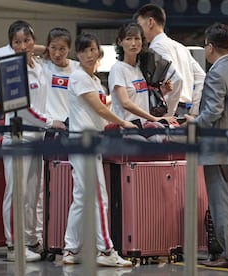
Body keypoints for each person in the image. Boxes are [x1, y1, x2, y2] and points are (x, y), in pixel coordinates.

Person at [62, 32, 136, 267]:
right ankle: (105, 251)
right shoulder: (79, 77)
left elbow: (100, 116)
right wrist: (123, 122)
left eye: (92, 49)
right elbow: (100, 109)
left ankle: (71, 249)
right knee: (98, 198)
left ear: (99, 53)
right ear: (78, 54)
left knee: (82, 198)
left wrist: (114, 124)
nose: (89, 54)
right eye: (83, 50)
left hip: (89, 142)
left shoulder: (94, 81)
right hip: (83, 143)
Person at [187, 23, 228, 268]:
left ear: (210, 46)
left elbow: (213, 111)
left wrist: (194, 124)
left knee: (222, 203)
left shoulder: (216, 72)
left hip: (220, 149)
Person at [0, 20, 66, 262]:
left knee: (32, 194)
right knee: (16, 193)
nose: (23, 45)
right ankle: (13, 245)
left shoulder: (39, 66)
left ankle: (29, 239)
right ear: (11, 45)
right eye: (17, 42)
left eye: (27, 40)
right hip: (18, 138)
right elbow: (23, 110)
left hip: (37, 139)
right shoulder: (9, 69)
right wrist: (50, 122)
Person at [133, 3, 205, 118]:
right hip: (186, 111)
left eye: (139, 25)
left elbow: (177, 79)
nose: (138, 32)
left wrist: (167, 114)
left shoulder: (156, 48)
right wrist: (194, 112)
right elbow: (202, 78)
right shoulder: (181, 47)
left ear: (150, 22)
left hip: (171, 111)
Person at [108, 22, 176, 129]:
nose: (133, 43)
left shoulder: (140, 69)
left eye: (137, 39)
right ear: (120, 42)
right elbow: (125, 102)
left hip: (142, 126)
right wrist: (154, 119)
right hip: (127, 128)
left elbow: (140, 96)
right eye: (129, 39)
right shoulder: (118, 69)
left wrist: (163, 90)